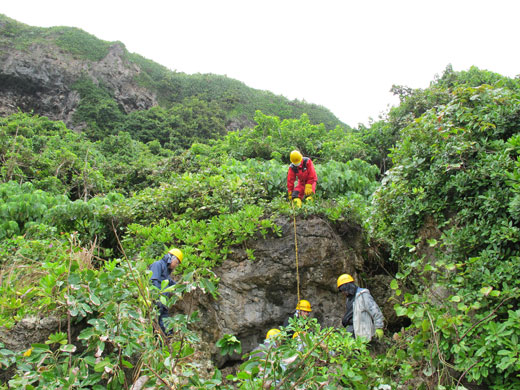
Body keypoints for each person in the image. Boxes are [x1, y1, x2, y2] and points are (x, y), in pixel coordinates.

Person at [337, 274, 384, 341]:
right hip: (352, 331)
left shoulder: (363, 295)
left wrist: (379, 327)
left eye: (343, 290)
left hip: (363, 332)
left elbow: (375, 310)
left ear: (348, 287)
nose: (343, 293)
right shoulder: (349, 299)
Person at [150, 248, 183, 335]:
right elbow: (154, 282)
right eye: (177, 263)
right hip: (157, 303)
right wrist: (157, 299)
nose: (176, 266)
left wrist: (183, 285)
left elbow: (172, 283)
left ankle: (167, 342)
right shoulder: (157, 265)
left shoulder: (166, 272)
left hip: (163, 305)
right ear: (171, 258)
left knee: (167, 329)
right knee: (156, 327)